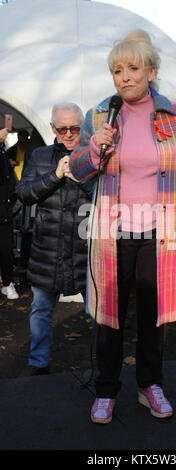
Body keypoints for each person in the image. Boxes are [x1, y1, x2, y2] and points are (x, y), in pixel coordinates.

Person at [68, 29, 176, 424]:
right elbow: (80, 171)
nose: (125, 76)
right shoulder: (100, 115)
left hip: (159, 233)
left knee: (154, 313)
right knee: (110, 316)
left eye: (133, 68)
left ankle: (151, 385)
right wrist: (95, 146)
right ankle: (106, 390)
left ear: (151, 71)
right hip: (111, 232)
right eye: (117, 70)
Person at [16, 102, 94, 376]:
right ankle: (38, 363)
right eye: (63, 129)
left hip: (86, 251)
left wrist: (80, 176)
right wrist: (56, 175)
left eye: (75, 128)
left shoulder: (94, 156)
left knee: (99, 313)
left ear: (82, 127)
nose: (70, 134)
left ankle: (105, 363)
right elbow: (24, 193)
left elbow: (106, 195)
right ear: (53, 128)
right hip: (46, 251)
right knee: (40, 310)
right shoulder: (39, 156)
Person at [0, 128, 19, 299]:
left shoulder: (4, 153)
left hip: (4, 212)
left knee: (6, 250)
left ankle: (7, 283)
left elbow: (9, 181)